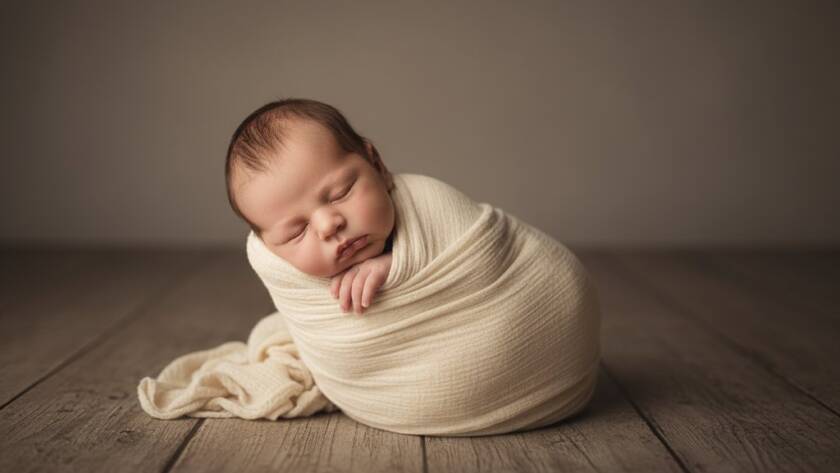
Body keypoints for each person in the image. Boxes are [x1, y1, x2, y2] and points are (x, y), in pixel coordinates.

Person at [225, 98, 397, 315]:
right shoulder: (278, 268)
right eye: (296, 232)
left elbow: (451, 259)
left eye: (340, 194)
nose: (328, 226)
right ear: (270, 248)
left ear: (376, 165)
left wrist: (397, 267)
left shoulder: (430, 208)